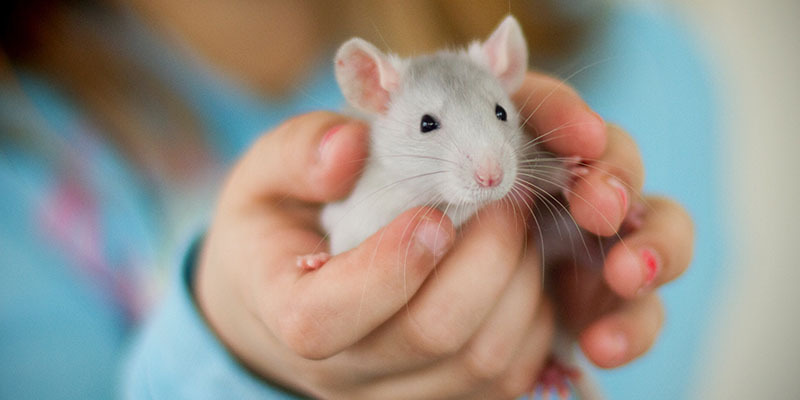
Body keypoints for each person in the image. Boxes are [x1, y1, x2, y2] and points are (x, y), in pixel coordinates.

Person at [0, 1, 697, 399]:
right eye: (429, 127)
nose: (489, 168)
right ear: (372, 91)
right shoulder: (27, 174)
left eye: (498, 117)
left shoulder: (635, 54)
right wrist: (236, 355)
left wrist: (590, 238)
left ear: (504, 74)